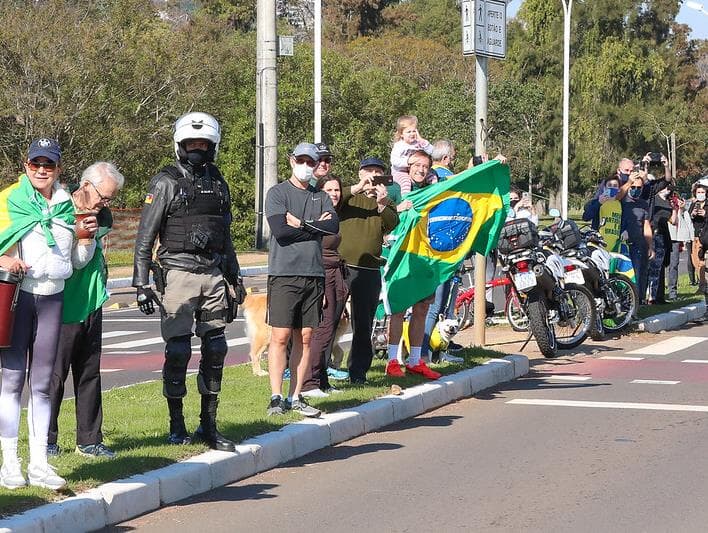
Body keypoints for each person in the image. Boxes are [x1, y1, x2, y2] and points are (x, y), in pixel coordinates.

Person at [132, 112, 241, 452]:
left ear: (213, 147)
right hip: (177, 272)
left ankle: (208, 424)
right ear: (179, 145)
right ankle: (176, 424)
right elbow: (145, 234)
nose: (197, 150)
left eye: (203, 145)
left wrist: (235, 277)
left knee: (216, 348)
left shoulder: (218, 180)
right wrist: (141, 282)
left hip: (213, 271)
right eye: (191, 144)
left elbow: (226, 234)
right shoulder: (165, 181)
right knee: (177, 350)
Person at [0, 138, 97, 490]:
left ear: (58, 168)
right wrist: (5, 259)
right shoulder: (10, 199)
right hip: (19, 298)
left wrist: (87, 240)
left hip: (53, 300)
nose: (41, 170)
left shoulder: (65, 206)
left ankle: (39, 462)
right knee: (11, 382)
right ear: (25, 165)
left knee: (42, 385)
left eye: (49, 164)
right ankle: (10, 463)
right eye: (35, 163)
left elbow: (74, 261)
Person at [47, 162, 125, 460]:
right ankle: (47, 440)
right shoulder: (60, 207)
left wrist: (90, 229)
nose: (105, 204)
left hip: (91, 301)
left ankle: (90, 439)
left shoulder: (102, 216)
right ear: (85, 185)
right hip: (62, 304)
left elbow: (87, 252)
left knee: (89, 373)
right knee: (54, 376)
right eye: (103, 196)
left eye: (110, 199)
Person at [264, 142, 339, 416]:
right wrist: (314, 228)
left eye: (312, 162)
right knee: (281, 335)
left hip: (313, 273)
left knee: (306, 337)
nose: (306, 166)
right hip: (284, 273)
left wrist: (303, 224)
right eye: (302, 160)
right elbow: (281, 232)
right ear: (291, 160)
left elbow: (331, 227)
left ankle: (296, 396)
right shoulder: (278, 193)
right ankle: (276, 396)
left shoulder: (321, 196)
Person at [338, 156, 399, 384]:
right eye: (368, 171)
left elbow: (393, 223)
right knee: (330, 320)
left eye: (377, 172)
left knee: (363, 325)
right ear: (360, 173)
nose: (373, 176)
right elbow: (332, 200)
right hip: (342, 267)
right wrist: (359, 187)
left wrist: (382, 202)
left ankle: (358, 373)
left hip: (369, 269)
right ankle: (320, 372)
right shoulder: (349, 196)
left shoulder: (385, 202)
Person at [385, 150, 441, 380]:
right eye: (416, 165)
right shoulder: (396, 189)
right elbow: (377, 212)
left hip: (425, 256)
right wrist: (397, 210)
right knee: (398, 309)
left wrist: (486, 165)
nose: (420, 169)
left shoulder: (433, 190)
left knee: (422, 308)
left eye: (425, 166)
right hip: (401, 256)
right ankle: (392, 361)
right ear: (407, 166)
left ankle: (416, 360)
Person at [300, 175, 350, 398]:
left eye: (337, 189)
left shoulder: (333, 215)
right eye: (329, 189)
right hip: (322, 273)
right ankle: (309, 383)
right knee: (322, 328)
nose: (334, 193)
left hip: (336, 273)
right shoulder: (316, 214)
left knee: (330, 330)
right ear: (320, 192)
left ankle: (322, 379)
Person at [421, 140, 464, 363]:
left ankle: (437, 351)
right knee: (438, 304)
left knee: (440, 304)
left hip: (442, 247)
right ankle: (427, 354)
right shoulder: (442, 177)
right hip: (444, 248)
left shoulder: (431, 175)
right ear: (447, 158)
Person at [620, 172, 655, 304]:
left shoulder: (643, 204)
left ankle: (637, 301)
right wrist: (629, 182)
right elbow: (616, 196)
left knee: (639, 272)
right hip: (623, 243)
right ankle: (625, 301)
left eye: (639, 188)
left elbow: (646, 226)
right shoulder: (622, 201)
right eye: (633, 187)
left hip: (638, 243)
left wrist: (650, 246)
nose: (636, 190)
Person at [646, 184, 678, 304]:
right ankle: (645, 295)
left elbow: (673, 221)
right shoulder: (653, 199)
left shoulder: (668, 203)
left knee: (657, 268)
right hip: (651, 233)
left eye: (669, 189)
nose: (667, 190)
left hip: (663, 236)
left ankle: (653, 297)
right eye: (665, 187)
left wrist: (675, 208)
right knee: (649, 266)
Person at [390, 115, 433, 196]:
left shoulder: (418, 143)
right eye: (408, 132)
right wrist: (408, 161)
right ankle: (406, 198)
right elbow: (394, 161)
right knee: (406, 182)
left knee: (432, 176)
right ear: (401, 134)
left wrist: (422, 141)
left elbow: (432, 152)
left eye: (414, 131)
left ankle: (434, 192)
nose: (412, 134)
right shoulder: (399, 146)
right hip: (400, 171)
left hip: (415, 170)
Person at [582, 177, 622, 251]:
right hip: (598, 245)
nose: (612, 188)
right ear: (604, 188)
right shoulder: (596, 202)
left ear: (619, 189)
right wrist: (599, 203)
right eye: (609, 185)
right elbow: (586, 217)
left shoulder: (621, 205)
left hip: (615, 247)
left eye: (615, 186)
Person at [667, 194, 694, 300]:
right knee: (658, 267)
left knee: (674, 264)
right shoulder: (659, 200)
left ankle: (672, 293)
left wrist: (682, 209)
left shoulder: (677, 201)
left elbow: (684, 220)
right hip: (663, 235)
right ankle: (654, 294)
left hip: (675, 237)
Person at [689, 183, 707, 293]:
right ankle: (702, 283)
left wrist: (705, 214)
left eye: (703, 192)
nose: (700, 194)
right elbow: (689, 218)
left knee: (703, 262)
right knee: (696, 261)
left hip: (705, 235)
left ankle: (703, 286)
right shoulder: (694, 204)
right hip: (695, 235)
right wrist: (693, 214)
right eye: (698, 192)